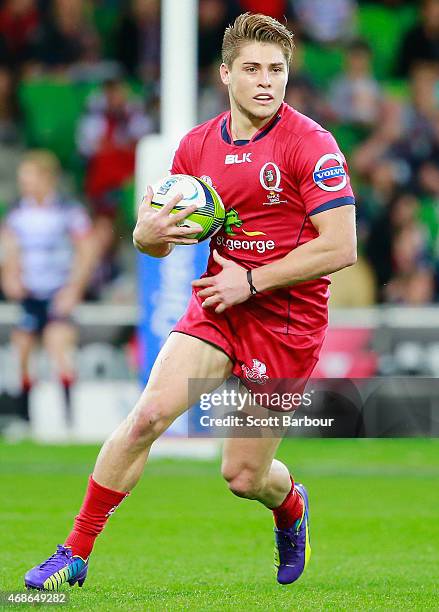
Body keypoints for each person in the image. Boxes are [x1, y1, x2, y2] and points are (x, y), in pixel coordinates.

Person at [24, 13, 356, 590]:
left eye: (276, 70)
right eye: (252, 69)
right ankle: (74, 552)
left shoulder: (312, 145)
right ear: (225, 74)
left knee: (244, 476)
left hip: (285, 323)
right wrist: (146, 234)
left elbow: (341, 246)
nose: (266, 82)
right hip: (218, 308)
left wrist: (251, 282)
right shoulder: (197, 147)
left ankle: (292, 505)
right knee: (147, 416)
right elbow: (152, 238)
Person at [0, 150, 95, 432]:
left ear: (46, 178)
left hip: (57, 291)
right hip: (31, 293)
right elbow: (10, 248)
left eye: (28, 177)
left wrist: (74, 288)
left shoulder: (67, 210)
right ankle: (26, 421)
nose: (25, 184)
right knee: (23, 351)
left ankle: (68, 420)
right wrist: (10, 277)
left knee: (59, 350)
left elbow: (87, 249)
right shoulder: (18, 211)